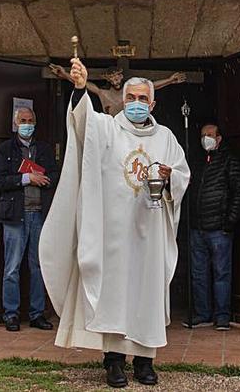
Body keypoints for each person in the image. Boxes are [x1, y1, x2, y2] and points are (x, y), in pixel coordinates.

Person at [40, 56, 190, 388]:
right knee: (116, 295)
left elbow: (182, 174)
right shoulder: (107, 128)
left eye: (142, 99)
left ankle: (145, 362)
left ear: (153, 102)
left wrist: (169, 177)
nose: (136, 104)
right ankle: (114, 362)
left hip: (149, 234)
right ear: (122, 100)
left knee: (147, 296)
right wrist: (79, 89)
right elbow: (81, 124)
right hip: (115, 234)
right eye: (131, 98)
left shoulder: (166, 137)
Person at [0, 105, 60, 332]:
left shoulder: (44, 149)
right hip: (15, 216)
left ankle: (37, 313)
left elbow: (55, 175)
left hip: (39, 213)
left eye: (30, 120)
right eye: (23, 120)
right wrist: (26, 178)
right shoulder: (5, 149)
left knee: (38, 266)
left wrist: (44, 179)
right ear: (15, 124)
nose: (27, 124)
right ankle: (10, 314)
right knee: (12, 267)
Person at [184, 122, 240, 330]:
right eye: (203, 135)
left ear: (219, 138)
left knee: (221, 273)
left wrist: (230, 221)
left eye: (210, 135)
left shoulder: (229, 161)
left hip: (219, 227)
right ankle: (202, 314)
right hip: (198, 227)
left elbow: (239, 193)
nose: (206, 139)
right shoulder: (197, 162)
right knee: (198, 273)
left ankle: (222, 316)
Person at [49, 64, 187, 115]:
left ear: (121, 76)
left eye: (117, 77)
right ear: (108, 80)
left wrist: (170, 80)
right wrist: (64, 74)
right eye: (112, 78)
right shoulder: (103, 93)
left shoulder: (128, 91)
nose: (116, 81)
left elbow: (151, 86)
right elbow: (81, 83)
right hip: (110, 131)